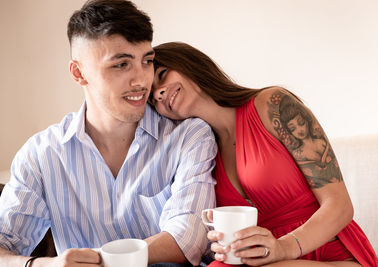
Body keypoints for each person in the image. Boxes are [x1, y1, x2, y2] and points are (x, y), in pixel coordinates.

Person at [0, 2, 217, 267]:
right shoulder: (40, 155)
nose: (141, 80)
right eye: (121, 65)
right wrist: (45, 265)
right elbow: (3, 244)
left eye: (146, 61)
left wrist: (100, 260)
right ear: (79, 73)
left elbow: (188, 239)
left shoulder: (190, 136)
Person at [151, 42, 378, 267]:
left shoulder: (273, 104)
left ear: (189, 63)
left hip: (331, 251)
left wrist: (283, 247)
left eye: (161, 75)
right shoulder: (202, 154)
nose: (159, 93)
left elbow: (340, 205)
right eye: (153, 98)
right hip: (265, 260)